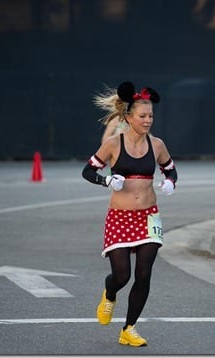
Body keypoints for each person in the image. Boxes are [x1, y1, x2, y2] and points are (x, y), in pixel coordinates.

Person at [82, 81, 177, 347]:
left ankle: (129, 328)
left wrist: (170, 182)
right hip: (120, 217)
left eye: (151, 116)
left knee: (144, 274)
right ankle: (109, 293)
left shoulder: (157, 145)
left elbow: (170, 169)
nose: (148, 120)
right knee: (122, 275)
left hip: (148, 217)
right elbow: (88, 171)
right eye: (142, 116)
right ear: (128, 117)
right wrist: (107, 181)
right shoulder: (114, 144)